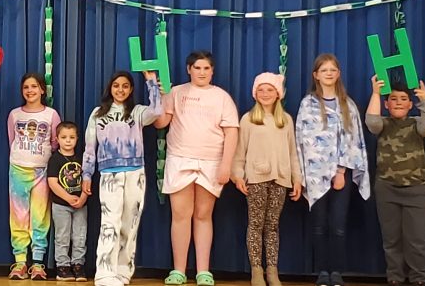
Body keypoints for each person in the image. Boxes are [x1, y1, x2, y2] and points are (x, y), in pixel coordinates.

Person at [154, 51, 239, 286]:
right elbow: (161, 123)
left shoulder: (222, 97)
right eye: (197, 68)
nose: (202, 72)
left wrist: (226, 165)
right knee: (180, 216)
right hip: (180, 159)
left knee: (203, 215)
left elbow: (232, 131)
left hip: (211, 163)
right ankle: (178, 270)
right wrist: (162, 97)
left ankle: (203, 271)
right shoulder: (176, 92)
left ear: (212, 71)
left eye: (206, 68)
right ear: (188, 69)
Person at [295, 53, 370, 286]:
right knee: (318, 226)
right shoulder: (307, 104)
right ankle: (322, 272)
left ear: (338, 74)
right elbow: (301, 140)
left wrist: (340, 171)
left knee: (337, 226)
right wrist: (302, 175)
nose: (329, 73)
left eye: (333, 69)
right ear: (316, 75)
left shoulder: (348, 105)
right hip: (315, 176)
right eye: (324, 70)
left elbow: (352, 139)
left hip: (340, 175)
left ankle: (336, 271)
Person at [82, 70, 162, 286]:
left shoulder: (137, 112)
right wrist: (86, 173)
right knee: (110, 222)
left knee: (130, 222)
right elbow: (90, 146)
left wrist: (151, 81)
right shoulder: (98, 113)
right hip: (109, 173)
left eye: (125, 86)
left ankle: (123, 270)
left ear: (131, 89)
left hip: (135, 172)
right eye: (116, 85)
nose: (120, 89)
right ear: (110, 88)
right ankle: (104, 273)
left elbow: (156, 111)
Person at [231, 72, 302, 286]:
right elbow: (239, 152)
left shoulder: (286, 120)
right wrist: (238, 175)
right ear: (255, 94)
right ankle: (256, 270)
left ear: (278, 93)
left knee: (272, 226)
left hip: (280, 180)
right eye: (260, 90)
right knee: (255, 224)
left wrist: (296, 179)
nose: (265, 93)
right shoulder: (248, 119)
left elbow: (293, 153)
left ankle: (272, 269)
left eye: (269, 89)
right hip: (256, 179)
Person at [6, 72, 60, 280]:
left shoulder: (51, 115)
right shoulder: (14, 115)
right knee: (18, 216)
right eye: (26, 87)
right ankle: (20, 261)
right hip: (18, 168)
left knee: (40, 216)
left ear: (42, 90)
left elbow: (55, 143)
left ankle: (38, 262)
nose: (30, 91)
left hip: (42, 171)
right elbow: (11, 138)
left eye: (34, 87)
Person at [48, 122, 87, 282]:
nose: (68, 141)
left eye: (72, 137)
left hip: (80, 205)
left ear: (77, 139)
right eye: (64, 137)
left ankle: (78, 265)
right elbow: (52, 182)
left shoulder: (82, 158)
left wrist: (83, 198)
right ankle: (62, 267)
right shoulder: (55, 159)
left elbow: (87, 180)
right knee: (62, 237)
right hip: (61, 205)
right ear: (57, 139)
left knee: (80, 236)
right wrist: (68, 197)